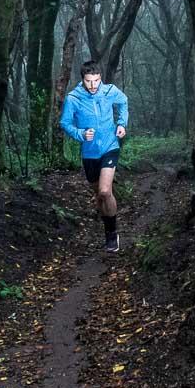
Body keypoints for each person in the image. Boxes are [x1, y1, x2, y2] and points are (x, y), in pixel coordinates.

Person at [59, 60, 128, 252]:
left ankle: (112, 235)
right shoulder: (74, 98)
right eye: (89, 81)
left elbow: (123, 101)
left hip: (110, 146)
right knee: (99, 196)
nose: (93, 85)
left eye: (96, 80)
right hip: (89, 153)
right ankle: (107, 229)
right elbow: (65, 123)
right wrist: (80, 134)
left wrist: (121, 124)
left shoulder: (109, 91)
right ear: (82, 79)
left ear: (100, 78)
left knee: (105, 191)